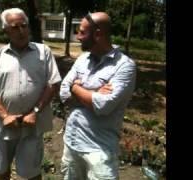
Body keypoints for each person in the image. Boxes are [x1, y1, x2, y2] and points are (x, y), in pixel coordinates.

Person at [0, 8, 61, 180]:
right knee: (1, 172)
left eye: (24, 26)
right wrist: (4, 115)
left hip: (32, 127)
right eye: (15, 27)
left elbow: (53, 84)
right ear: (5, 30)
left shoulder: (43, 52)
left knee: (32, 174)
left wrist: (35, 112)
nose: (21, 31)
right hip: (4, 126)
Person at [59, 12, 136, 179]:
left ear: (98, 34)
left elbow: (103, 106)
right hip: (72, 142)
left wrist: (76, 89)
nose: (78, 37)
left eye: (82, 32)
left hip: (99, 150)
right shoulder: (82, 59)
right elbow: (63, 93)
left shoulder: (124, 66)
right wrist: (90, 93)